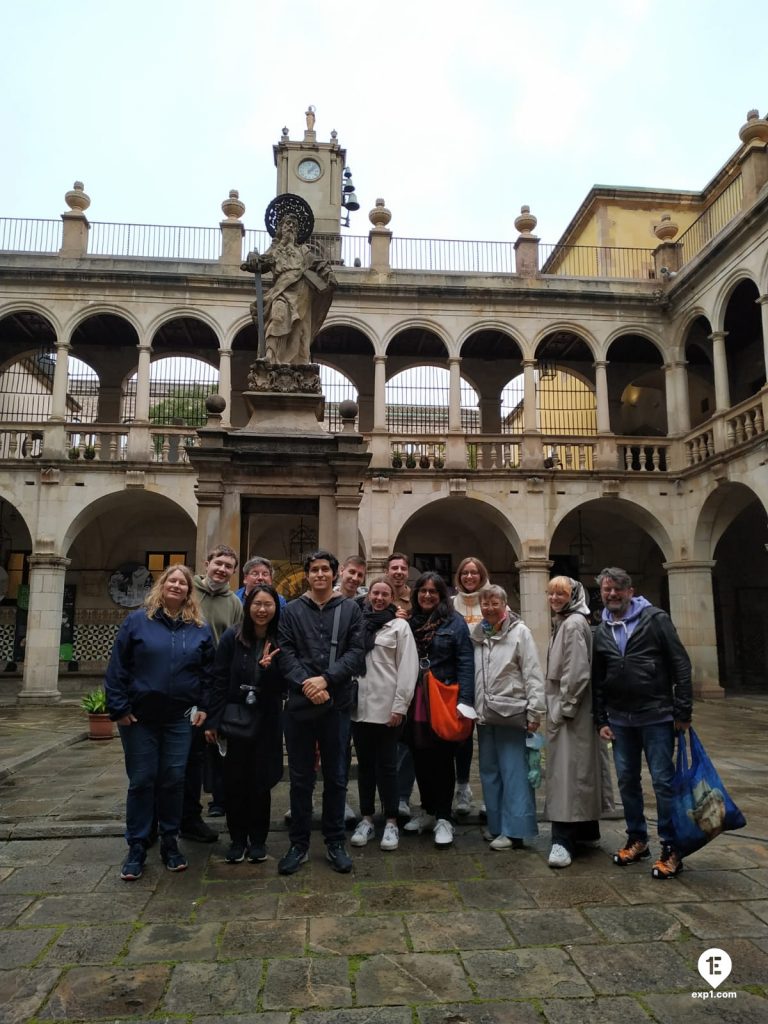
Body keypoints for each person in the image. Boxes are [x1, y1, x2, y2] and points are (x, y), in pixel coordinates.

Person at [105, 565, 214, 881]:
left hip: (179, 718)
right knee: (142, 779)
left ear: (189, 591)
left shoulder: (198, 627)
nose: (177, 586)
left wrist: (205, 705)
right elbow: (117, 668)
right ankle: (137, 845)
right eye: (172, 580)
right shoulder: (138, 621)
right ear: (162, 586)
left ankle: (170, 840)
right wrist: (119, 707)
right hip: (139, 718)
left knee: (173, 778)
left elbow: (209, 673)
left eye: (183, 582)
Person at [592, 567, 693, 880]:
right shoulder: (602, 629)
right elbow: (598, 677)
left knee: (663, 782)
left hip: (657, 716)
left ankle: (672, 847)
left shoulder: (655, 619)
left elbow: (680, 663)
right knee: (627, 780)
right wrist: (601, 718)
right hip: (621, 719)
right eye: (606, 590)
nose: (611, 595)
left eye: (617, 590)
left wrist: (682, 711)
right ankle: (637, 839)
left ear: (629, 591)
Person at [277, 549, 365, 875]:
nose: (319, 575)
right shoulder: (291, 611)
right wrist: (307, 684)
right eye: (313, 570)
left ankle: (334, 841)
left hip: (337, 705)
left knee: (337, 776)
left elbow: (356, 653)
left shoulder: (351, 609)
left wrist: (326, 680)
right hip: (300, 706)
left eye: (325, 569)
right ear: (307, 574)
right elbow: (284, 652)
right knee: (300, 778)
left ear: (335, 573)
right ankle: (298, 844)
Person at [205, 585, 284, 864]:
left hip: (267, 720)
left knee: (260, 782)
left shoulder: (280, 639)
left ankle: (258, 840)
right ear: (248, 606)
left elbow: (283, 686)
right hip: (234, 720)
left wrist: (268, 670)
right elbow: (218, 679)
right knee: (235, 781)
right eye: (257, 604)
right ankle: (237, 839)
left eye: (268, 604)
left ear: (276, 608)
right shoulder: (232, 637)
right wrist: (212, 721)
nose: (262, 610)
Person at [403, 571, 474, 848]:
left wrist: (465, 702)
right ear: (416, 594)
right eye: (423, 591)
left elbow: (466, 662)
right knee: (419, 754)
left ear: (442, 595)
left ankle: (444, 816)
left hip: (443, 696)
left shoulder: (454, 624)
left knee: (443, 757)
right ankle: (428, 810)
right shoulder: (408, 622)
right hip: (416, 696)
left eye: (433, 591)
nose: (428, 595)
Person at [471, 584, 545, 850]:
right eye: (485, 604)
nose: (489, 608)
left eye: (494, 603)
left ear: (505, 605)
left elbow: (532, 672)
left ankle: (515, 830)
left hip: (512, 712)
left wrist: (535, 711)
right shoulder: (479, 634)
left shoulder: (520, 632)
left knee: (514, 772)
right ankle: (496, 825)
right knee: (490, 771)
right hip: (485, 714)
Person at [350, 577, 419, 852]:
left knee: (388, 767)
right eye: (375, 593)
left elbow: (408, 668)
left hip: (388, 708)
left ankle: (391, 821)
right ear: (368, 596)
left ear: (392, 598)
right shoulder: (357, 626)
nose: (379, 598)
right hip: (359, 709)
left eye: (384, 594)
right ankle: (366, 818)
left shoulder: (400, 627)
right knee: (365, 767)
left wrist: (400, 706)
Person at [182, 544, 244, 835]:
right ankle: (176, 814)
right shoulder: (187, 592)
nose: (222, 569)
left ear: (233, 572)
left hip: (217, 684)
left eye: (228, 566)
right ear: (206, 563)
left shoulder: (234, 603)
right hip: (186, 682)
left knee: (209, 751)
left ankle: (201, 813)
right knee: (181, 754)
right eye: (218, 563)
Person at [544, 576, 603, 868]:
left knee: (566, 773)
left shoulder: (574, 624)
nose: (555, 598)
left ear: (574, 595)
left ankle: (563, 839)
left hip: (570, 711)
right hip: (569, 708)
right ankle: (586, 830)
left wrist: (564, 707)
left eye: (561, 593)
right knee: (578, 769)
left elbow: (577, 671)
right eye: (552, 593)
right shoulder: (567, 621)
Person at [241, 212, 336, 366]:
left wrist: (329, 274)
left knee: (298, 329)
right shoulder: (274, 250)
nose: (290, 227)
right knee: (277, 316)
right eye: (287, 224)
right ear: (280, 229)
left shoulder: (303, 250)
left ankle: (298, 363)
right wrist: (252, 256)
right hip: (281, 289)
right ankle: (270, 357)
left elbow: (319, 263)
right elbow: (260, 262)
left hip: (301, 290)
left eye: (294, 225)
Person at [451, 556, 490, 816]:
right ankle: (462, 787)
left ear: (482, 575)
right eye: (465, 573)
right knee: (463, 737)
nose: (469, 577)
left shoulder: (492, 600)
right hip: (459, 677)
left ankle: (491, 793)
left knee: (488, 738)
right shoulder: (450, 604)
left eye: (474, 573)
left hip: (488, 676)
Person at [387, 551, 415, 817]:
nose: (398, 571)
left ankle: (403, 796)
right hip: (382, 677)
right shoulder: (378, 595)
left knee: (405, 741)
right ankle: (384, 795)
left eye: (402, 567)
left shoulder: (414, 599)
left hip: (408, 675)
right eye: (393, 567)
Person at [386, 552, 412, 617]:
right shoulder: (377, 596)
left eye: (403, 569)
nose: (399, 572)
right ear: (386, 572)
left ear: (408, 573)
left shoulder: (415, 598)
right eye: (395, 568)